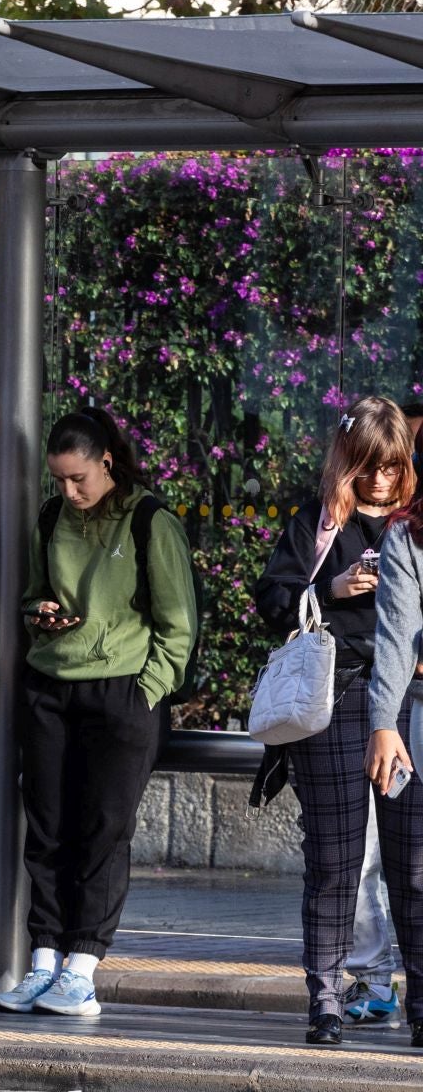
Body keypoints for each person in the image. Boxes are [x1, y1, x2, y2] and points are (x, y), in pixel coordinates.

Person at [0, 406, 197, 1019]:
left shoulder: (150, 521)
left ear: (107, 460)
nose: (68, 490)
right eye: (58, 479)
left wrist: (146, 692)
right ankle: (44, 962)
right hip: (53, 685)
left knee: (103, 831)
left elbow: (178, 623)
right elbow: (32, 592)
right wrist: (41, 612)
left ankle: (82, 966)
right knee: (48, 828)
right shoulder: (53, 516)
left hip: (122, 694)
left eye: (78, 477)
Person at [258, 398, 419, 1045]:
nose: (380, 481)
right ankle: (324, 999)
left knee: (410, 865)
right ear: (348, 462)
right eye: (368, 467)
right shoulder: (320, 523)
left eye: (392, 467)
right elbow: (270, 600)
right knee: (336, 861)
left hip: (408, 702)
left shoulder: (415, 525)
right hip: (337, 700)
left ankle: (403, 996)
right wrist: (331, 589)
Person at [368, 404, 423, 1052]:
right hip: (417, 710)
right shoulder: (409, 535)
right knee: (410, 874)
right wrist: (384, 720)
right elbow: (396, 635)